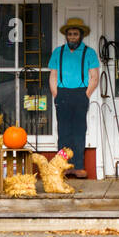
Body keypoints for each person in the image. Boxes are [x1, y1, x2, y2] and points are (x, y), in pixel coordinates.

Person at [47, 17, 99, 179]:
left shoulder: (89, 52)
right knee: (63, 132)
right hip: (62, 93)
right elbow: (53, 75)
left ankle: (78, 166)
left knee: (79, 131)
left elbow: (94, 77)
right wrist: (56, 94)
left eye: (75, 34)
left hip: (80, 93)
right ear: (66, 35)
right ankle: (63, 166)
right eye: (69, 34)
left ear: (81, 35)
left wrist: (86, 94)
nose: (72, 37)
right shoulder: (58, 52)